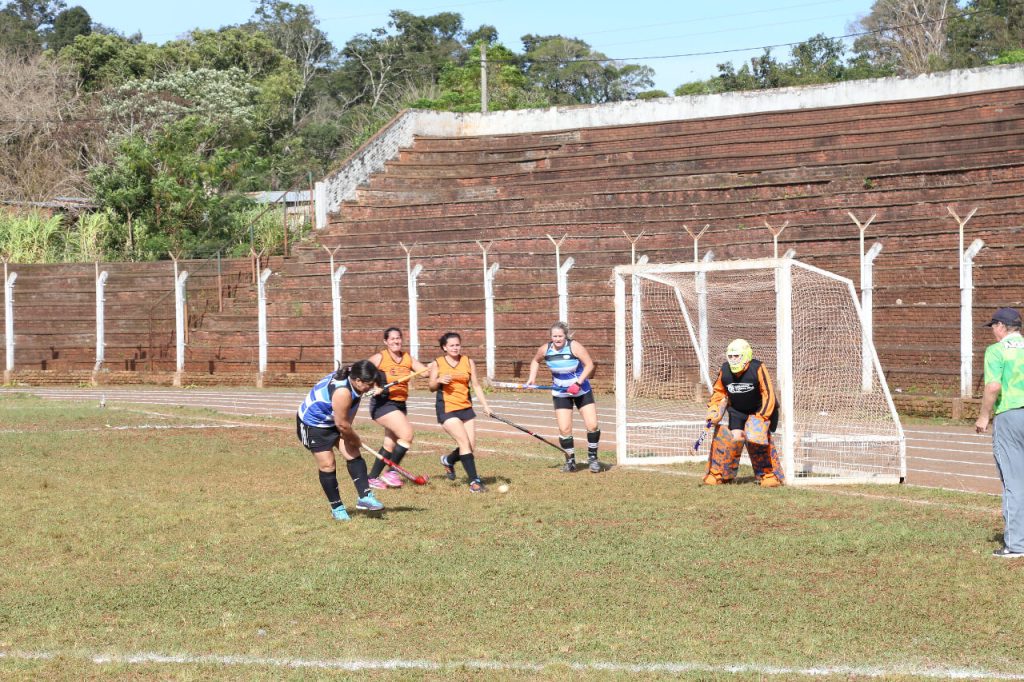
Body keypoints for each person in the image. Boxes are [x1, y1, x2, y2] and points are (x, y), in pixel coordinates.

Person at [296, 360, 385, 521]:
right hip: (314, 424)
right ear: (358, 381)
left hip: (335, 418)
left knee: (352, 453)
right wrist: (355, 437)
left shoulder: (355, 377)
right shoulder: (342, 392)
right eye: (370, 384)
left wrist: (349, 435)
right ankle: (337, 508)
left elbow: (348, 415)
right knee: (328, 464)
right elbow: (342, 425)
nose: (371, 388)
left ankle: (364, 497)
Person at [975, 307, 1024, 559]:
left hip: (1011, 415)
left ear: (1002, 327)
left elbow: (993, 386)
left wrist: (984, 415)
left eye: (993, 326)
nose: (992, 331)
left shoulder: (996, 351)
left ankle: (1016, 544)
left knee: (1014, 481)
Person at [703, 338, 785, 487]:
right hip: (737, 410)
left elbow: (768, 393)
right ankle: (723, 474)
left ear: (746, 356)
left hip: (759, 410)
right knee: (734, 437)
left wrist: (762, 416)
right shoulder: (725, 370)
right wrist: (714, 409)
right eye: (731, 356)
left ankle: (768, 474)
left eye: (737, 356)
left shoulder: (757, 367)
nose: (733, 360)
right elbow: (719, 393)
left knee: (755, 435)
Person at [524, 321, 602, 473]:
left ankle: (593, 458)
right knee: (564, 428)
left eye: (560, 336)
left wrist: (578, 383)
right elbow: (535, 361)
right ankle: (570, 461)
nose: (557, 339)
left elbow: (589, 365)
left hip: (581, 390)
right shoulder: (545, 349)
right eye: (554, 336)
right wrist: (532, 378)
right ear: (551, 336)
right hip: (560, 392)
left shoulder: (574, 346)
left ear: (565, 335)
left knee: (592, 425)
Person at [365, 327, 430, 490]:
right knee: (407, 434)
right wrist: (374, 386)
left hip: (400, 404)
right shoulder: (381, 357)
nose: (396, 341)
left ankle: (372, 478)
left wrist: (438, 365)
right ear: (385, 342)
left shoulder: (407, 358)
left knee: (389, 444)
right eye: (392, 339)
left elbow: (424, 372)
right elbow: (363, 370)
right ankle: (391, 472)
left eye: (398, 338)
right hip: (383, 404)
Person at [429, 332, 492, 492]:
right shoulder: (438, 363)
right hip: (447, 408)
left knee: (471, 446)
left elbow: (476, 385)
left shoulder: (468, 361)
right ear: (444, 347)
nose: (455, 348)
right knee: (464, 443)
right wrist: (438, 381)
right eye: (451, 345)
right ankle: (474, 482)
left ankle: (448, 460)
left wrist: (485, 405)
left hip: (466, 407)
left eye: (457, 345)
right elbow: (431, 386)